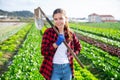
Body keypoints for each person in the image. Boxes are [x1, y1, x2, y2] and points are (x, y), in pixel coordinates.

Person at [40, 8, 82, 80]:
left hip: (67, 68)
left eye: (61, 18)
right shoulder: (49, 32)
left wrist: (74, 53)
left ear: (65, 19)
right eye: (55, 19)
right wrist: (56, 44)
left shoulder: (70, 33)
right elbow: (43, 52)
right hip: (53, 68)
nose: (58, 21)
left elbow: (78, 47)